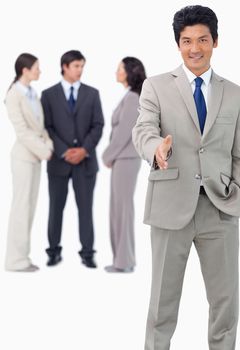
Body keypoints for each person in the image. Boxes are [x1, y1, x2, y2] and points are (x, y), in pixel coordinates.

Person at [132, 5, 240, 350]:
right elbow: (144, 129)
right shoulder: (156, 86)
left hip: (220, 208)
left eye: (203, 40)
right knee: (162, 305)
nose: (195, 48)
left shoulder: (235, 94)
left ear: (216, 42)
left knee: (225, 305)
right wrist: (155, 149)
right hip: (170, 207)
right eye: (187, 40)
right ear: (178, 44)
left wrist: (235, 193)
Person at [41, 50, 104, 268]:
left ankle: (88, 253)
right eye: (77, 66)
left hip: (85, 163)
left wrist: (83, 150)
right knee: (55, 208)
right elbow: (46, 127)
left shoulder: (92, 93)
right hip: (58, 162)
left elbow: (98, 125)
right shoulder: (48, 95)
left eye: (82, 66)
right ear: (65, 66)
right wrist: (64, 151)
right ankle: (53, 251)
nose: (80, 70)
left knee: (86, 208)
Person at [5, 53, 53, 272]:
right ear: (24, 70)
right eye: (36, 68)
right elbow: (22, 132)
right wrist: (45, 150)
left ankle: (22, 257)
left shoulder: (33, 93)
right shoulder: (14, 95)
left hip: (36, 158)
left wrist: (48, 144)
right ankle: (15, 260)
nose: (39, 71)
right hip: (24, 157)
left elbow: (40, 127)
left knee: (30, 208)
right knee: (21, 208)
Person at [102, 57, 146, 273]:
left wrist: (106, 156)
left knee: (123, 209)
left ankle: (124, 262)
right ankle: (123, 259)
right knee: (119, 209)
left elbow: (122, 134)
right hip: (124, 159)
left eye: (119, 68)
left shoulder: (131, 98)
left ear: (130, 72)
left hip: (126, 159)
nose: (116, 72)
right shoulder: (130, 96)